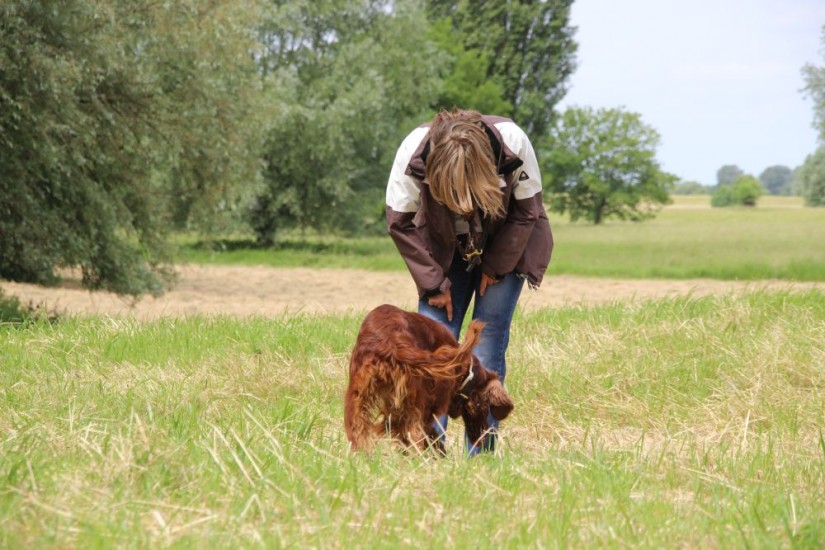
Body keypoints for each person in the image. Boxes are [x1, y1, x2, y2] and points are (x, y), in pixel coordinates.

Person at [385, 108, 553, 454]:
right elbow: (399, 223)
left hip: (507, 240)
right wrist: (433, 283)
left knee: (487, 343)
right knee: (432, 347)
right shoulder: (412, 151)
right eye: (452, 193)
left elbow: (527, 212)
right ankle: (428, 453)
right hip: (443, 248)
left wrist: (496, 267)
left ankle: (481, 454)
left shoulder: (513, 142)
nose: (462, 205)